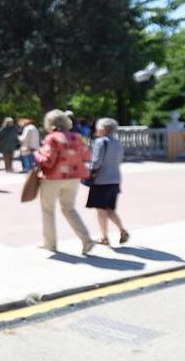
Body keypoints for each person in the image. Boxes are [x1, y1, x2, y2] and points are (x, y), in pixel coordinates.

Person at [34, 109, 96, 254]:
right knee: (69, 208)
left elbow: (48, 161)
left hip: (53, 178)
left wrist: (36, 154)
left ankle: (50, 244)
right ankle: (86, 240)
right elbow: (87, 156)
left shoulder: (52, 138)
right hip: (74, 177)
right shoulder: (77, 137)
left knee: (48, 210)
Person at [86, 118, 129, 245]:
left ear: (103, 129)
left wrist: (86, 167)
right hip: (115, 179)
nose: (96, 129)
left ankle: (104, 237)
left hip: (101, 180)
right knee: (110, 209)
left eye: (98, 127)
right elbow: (120, 160)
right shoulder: (118, 143)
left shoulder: (100, 142)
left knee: (101, 210)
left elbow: (96, 162)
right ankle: (122, 230)